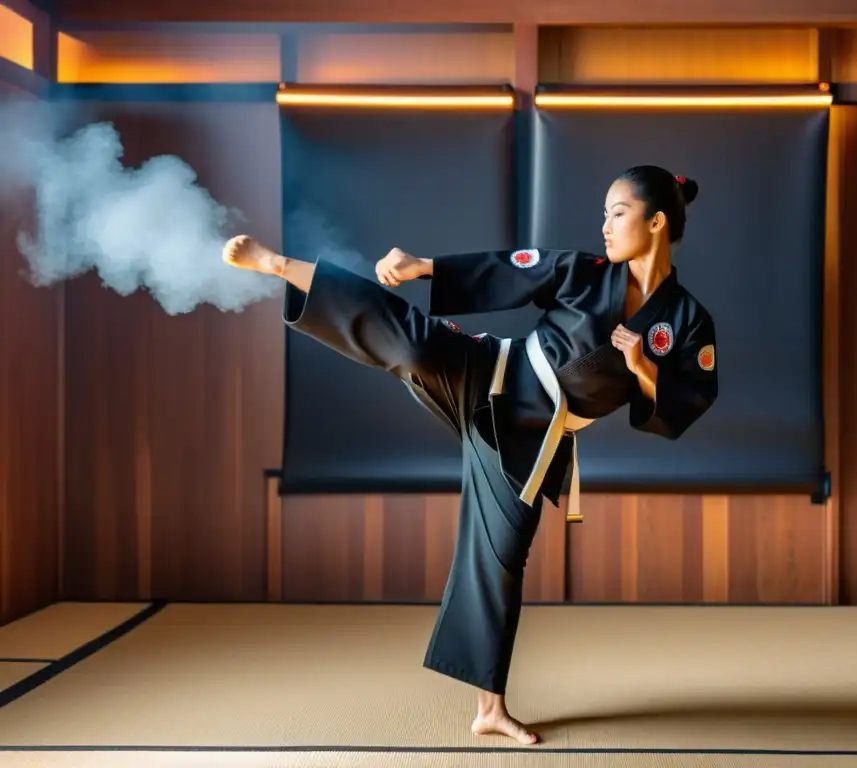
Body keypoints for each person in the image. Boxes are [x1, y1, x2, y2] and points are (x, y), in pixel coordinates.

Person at [222, 165, 718, 745]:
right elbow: (514, 266)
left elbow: (685, 402)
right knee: (412, 341)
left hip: (535, 436)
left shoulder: (686, 320)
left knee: (499, 557)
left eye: (617, 213)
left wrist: (644, 370)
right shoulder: (588, 272)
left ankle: (490, 709)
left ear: (655, 222)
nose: (604, 225)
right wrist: (424, 266)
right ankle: (282, 266)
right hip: (494, 373)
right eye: (605, 212)